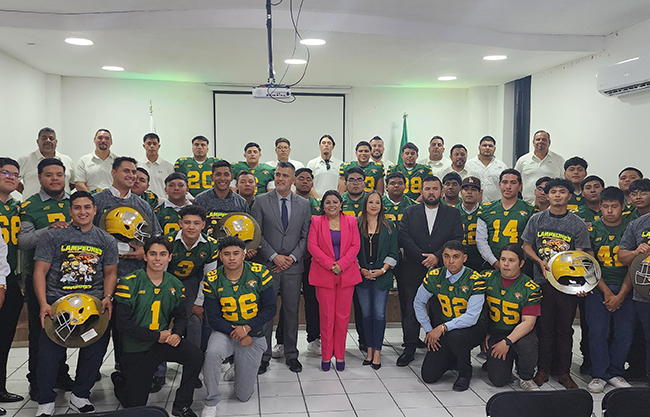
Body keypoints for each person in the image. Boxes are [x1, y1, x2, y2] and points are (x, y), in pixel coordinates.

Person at [33, 191, 118, 416]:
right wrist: (43, 303)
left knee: (93, 352)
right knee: (49, 356)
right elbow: (40, 271)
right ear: (70, 211)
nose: (83, 212)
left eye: (87, 207)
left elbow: (110, 273)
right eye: (78, 207)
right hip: (58, 305)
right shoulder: (53, 237)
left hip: (93, 307)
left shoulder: (106, 239)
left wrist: (108, 297)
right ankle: (45, 401)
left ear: (95, 210)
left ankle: (80, 395)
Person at [112, 236, 202, 417]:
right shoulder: (129, 282)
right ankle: (120, 381)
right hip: (136, 348)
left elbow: (180, 316)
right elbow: (122, 323)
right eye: (153, 254)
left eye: (162, 254)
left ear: (170, 257)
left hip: (162, 343)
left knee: (195, 356)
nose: (158, 259)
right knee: (135, 405)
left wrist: (176, 333)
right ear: (145, 256)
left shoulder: (175, 284)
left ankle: (182, 405)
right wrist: (156, 336)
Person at [521, 178, 591, 389]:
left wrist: (580, 285)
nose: (557, 195)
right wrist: (539, 261)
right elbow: (526, 246)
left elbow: (581, 255)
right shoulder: (536, 219)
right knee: (544, 329)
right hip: (542, 282)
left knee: (564, 330)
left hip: (567, 285)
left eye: (562, 191)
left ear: (569, 195)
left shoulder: (577, 223)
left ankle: (564, 373)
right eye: (553, 191)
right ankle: (542, 370)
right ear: (547, 195)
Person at [18, 159, 74, 400]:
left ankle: (61, 375)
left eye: (59, 174)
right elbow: (23, 242)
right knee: (41, 332)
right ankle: (38, 380)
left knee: (67, 328)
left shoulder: (75, 203)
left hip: (71, 279)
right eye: (49, 175)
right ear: (40, 178)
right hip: (40, 280)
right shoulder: (30, 206)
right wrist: (50, 229)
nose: (55, 179)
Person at [201, 237, 276, 417]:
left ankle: (238, 367)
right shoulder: (212, 278)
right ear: (220, 256)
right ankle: (211, 400)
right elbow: (213, 318)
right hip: (225, 331)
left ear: (244, 254)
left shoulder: (260, 272)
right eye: (226, 254)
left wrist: (247, 329)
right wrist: (239, 332)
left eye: (236, 253)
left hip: (253, 333)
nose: (231, 258)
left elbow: (270, 308)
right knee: (212, 354)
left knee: (243, 396)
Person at [397, 175, 464, 366]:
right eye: (427, 189)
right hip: (413, 267)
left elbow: (457, 237)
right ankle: (409, 348)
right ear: (421, 191)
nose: (431, 192)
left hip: (442, 270)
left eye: (435, 189)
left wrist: (437, 256)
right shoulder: (410, 211)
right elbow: (404, 236)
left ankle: (440, 349)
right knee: (411, 310)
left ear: (441, 192)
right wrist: (423, 258)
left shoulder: (452, 214)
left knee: (440, 310)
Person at [251, 162, 311, 374]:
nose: (280, 178)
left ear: (293, 180)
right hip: (268, 265)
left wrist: (291, 258)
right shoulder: (260, 201)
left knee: (291, 311)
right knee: (266, 311)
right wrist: (275, 257)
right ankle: (263, 356)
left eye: (285, 175)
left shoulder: (304, 204)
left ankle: (291, 354)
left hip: (293, 266)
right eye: (278, 174)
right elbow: (257, 234)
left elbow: (306, 236)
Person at [160, 205, 219, 390]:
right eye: (187, 222)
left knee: (194, 321)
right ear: (180, 223)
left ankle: (192, 371)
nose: (191, 227)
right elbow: (160, 272)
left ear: (203, 225)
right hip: (166, 281)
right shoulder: (168, 241)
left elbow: (209, 276)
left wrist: (198, 303)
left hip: (192, 281)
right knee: (158, 321)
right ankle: (158, 372)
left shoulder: (210, 244)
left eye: (196, 223)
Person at [414, 241, 487, 391]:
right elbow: (418, 303)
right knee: (429, 375)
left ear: (464, 258)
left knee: (456, 337)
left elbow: (472, 317)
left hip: (473, 328)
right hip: (446, 328)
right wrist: (429, 330)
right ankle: (452, 358)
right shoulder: (435, 275)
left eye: (456, 257)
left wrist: (442, 328)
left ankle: (465, 373)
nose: (451, 261)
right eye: (447, 256)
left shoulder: (475, 279)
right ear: (442, 257)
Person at [585, 187, 634, 393]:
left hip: (627, 287)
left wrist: (621, 294)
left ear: (623, 207)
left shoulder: (631, 228)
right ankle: (599, 374)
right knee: (598, 332)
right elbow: (588, 264)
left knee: (624, 332)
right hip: (598, 287)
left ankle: (616, 372)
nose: (610, 211)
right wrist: (606, 292)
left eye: (614, 206)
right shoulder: (591, 230)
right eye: (606, 206)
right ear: (600, 207)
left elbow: (635, 265)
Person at [308, 190, 361, 371]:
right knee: (327, 316)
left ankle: (339, 355)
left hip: (346, 274)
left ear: (341, 204)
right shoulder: (316, 222)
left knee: (342, 317)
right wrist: (331, 265)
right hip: (324, 274)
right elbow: (312, 247)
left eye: (335, 202)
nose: (332, 205)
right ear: (322, 206)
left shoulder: (351, 221)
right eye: (328, 202)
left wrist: (342, 265)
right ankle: (325, 356)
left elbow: (355, 245)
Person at [272, 168, 321, 360]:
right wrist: (284, 258)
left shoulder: (316, 204)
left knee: (311, 300)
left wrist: (297, 255)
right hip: (284, 261)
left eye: (309, 179)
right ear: (295, 181)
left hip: (310, 260)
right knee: (287, 303)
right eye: (301, 178)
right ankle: (281, 341)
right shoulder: (276, 201)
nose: (305, 182)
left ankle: (313, 338)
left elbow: (309, 233)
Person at [482, 244, 541, 390]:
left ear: (521, 264)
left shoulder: (530, 288)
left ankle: (526, 376)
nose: (506, 264)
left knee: (527, 344)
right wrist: (483, 332)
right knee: (498, 380)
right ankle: (500, 362)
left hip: (520, 334)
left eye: (511, 260)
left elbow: (528, 323)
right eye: (503, 259)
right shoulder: (486, 278)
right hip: (496, 332)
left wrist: (507, 342)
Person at [92, 157, 162, 278]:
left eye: (133, 172)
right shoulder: (96, 201)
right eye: (126, 171)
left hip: (135, 274)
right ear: (113, 173)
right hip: (101, 273)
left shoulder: (143, 205)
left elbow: (156, 236)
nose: (131, 175)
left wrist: (146, 251)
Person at [356, 191, 398, 369]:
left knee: (379, 314)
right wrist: (361, 269)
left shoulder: (389, 226)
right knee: (366, 314)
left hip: (382, 276)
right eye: (370, 202)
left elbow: (394, 252)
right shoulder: (356, 225)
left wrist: (382, 270)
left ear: (382, 206)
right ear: (365, 204)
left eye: (377, 203)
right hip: (362, 275)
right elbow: (351, 250)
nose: (374, 205)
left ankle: (378, 351)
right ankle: (369, 349)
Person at [618, 184, 650, 386]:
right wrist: (635, 252)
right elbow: (622, 255)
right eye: (635, 193)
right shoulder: (637, 224)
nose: (639, 196)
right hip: (644, 291)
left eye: (644, 193)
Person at [0, 157, 24, 409]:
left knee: (5, 337)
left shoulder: (18, 207)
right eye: (5, 173)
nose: (11, 177)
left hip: (11, 278)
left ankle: (0, 388)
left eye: (15, 174)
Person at [476, 169, 534, 270]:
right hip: (491, 264)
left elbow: (529, 242)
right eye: (505, 182)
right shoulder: (486, 209)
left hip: (520, 266)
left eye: (513, 183)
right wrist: (494, 262)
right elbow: (481, 240)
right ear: (499, 184)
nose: (508, 186)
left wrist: (515, 262)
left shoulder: (530, 210)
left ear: (520, 186)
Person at [339, 167, 367, 349]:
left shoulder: (371, 200)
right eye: (351, 179)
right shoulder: (338, 201)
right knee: (340, 306)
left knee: (362, 305)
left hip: (366, 257)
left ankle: (365, 341)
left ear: (364, 182)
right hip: (342, 259)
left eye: (359, 179)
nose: (355, 183)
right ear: (345, 182)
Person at [192, 160, 249, 237]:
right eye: (218, 174)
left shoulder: (241, 202)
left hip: (234, 243)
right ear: (212, 177)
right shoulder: (200, 200)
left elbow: (246, 229)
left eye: (226, 174)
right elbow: (194, 227)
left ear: (232, 177)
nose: (222, 178)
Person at [17, 127, 75, 198]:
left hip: (62, 203)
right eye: (44, 138)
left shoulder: (67, 160)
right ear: (38, 141)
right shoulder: (25, 160)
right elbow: (14, 181)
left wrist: (57, 191)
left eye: (51, 138)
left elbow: (73, 183)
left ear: (56, 142)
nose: (48, 140)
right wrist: (26, 192)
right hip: (34, 204)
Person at [514, 130, 565, 204]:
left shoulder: (559, 160)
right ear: (533, 142)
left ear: (549, 142)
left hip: (552, 204)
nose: (541, 141)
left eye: (544, 139)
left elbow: (563, 182)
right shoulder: (523, 160)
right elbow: (515, 180)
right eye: (538, 139)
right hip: (527, 203)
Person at [465, 136, 508, 203]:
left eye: (490, 146)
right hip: (473, 204)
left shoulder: (501, 166)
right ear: (479, 147)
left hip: (495, 204)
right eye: (484, 145)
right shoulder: (469, 164)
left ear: (494, 148)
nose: (487, 148)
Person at [457, 177, 483, 272]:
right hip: (458, 259)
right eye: (466, 189)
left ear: (480, 193)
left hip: (480, 259)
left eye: (473, 189)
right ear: (461, 192)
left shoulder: (485, 211)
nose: (469, 192)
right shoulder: (453, 211)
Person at [139, 133, 174, 197]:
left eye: (154, 144)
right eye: (149, 143)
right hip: (141, 201)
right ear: (144, 146)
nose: (152, 146)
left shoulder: (168, 167)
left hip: (163, 201)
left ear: (159, 146)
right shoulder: (138, 165)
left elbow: (172, 187)